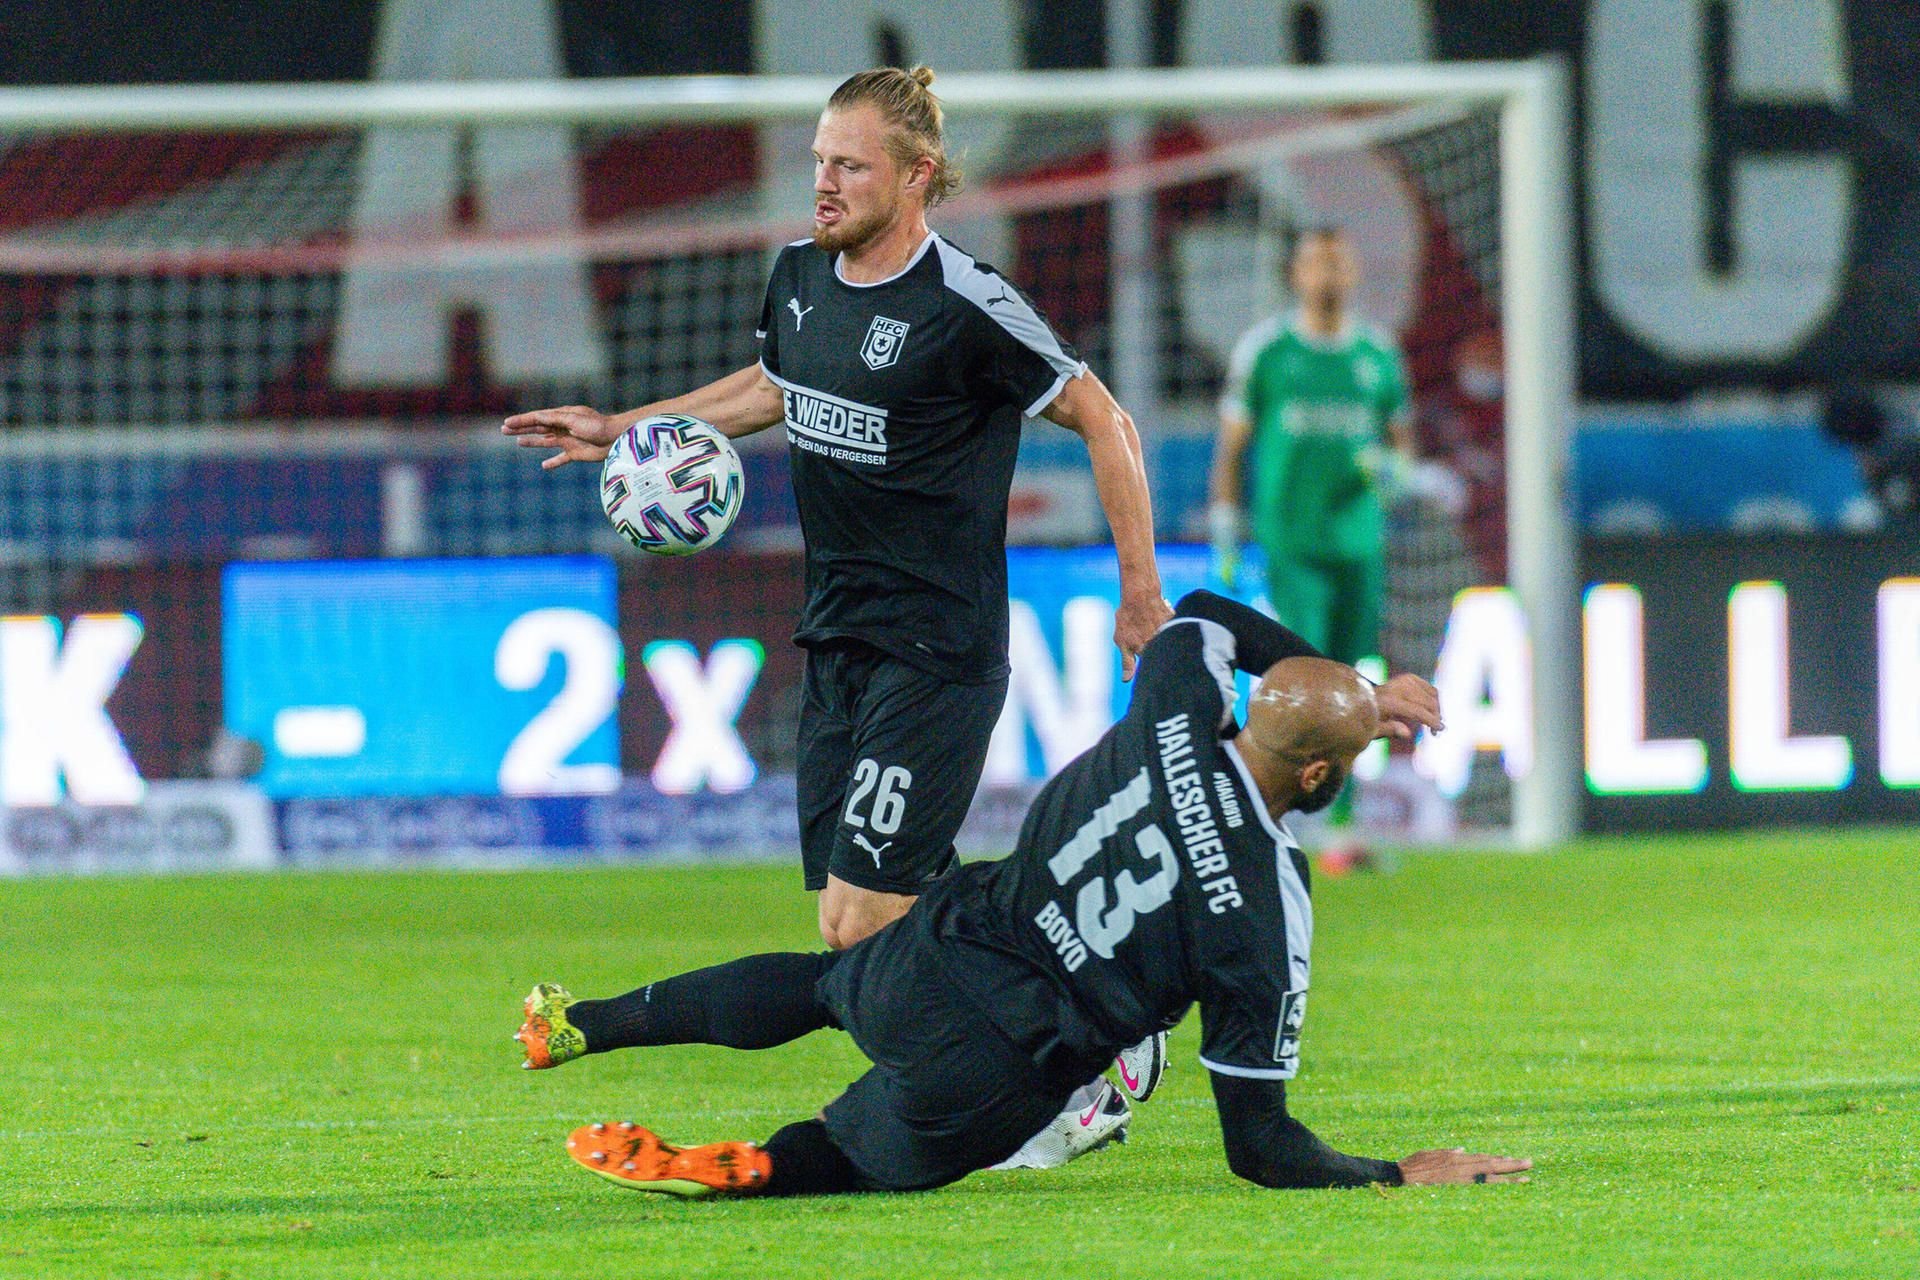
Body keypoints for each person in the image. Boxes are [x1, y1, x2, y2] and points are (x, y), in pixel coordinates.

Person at [504, 65, 1172, 1159]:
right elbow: (769, 388)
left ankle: (1084, 1063)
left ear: (916, 176)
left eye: (850, 165)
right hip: (839, 638)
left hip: (938, 646)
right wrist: (623, 425)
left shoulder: (967, 303)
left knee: (859, 923)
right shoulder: (801, 277)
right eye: (819, 160)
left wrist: (1137, 591)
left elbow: (1108, 421)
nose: (823, 182)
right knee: (876, 917)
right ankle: (1089, 1000)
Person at [514, 590, 1530, 1198]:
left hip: (944, 949)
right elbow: (1260, 1144)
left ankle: (584, 1022)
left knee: (827, 986)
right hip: (1004, 1064)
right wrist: (1395, 1171)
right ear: (1319, 778)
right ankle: (750, 1163)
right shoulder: (1270, 903)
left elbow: (1207, 616)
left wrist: (1347, 688)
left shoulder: (1172, 709)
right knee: (850, 1151)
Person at [1208, 226, 1437, 863]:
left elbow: (1400, 447)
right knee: (1314, 673)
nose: (1327, 273)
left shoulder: (1378, 355)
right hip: (1293, 540)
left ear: (1354, 272)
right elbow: (1233, 445)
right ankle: (1291, 811)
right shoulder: (1268, 352)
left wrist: (1396, 473)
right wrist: (1226, 519)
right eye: (1316, 262)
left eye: (1337, 261)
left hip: (1360, 541)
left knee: (1358, 680)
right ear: (1296, 274)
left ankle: (1340, 820)